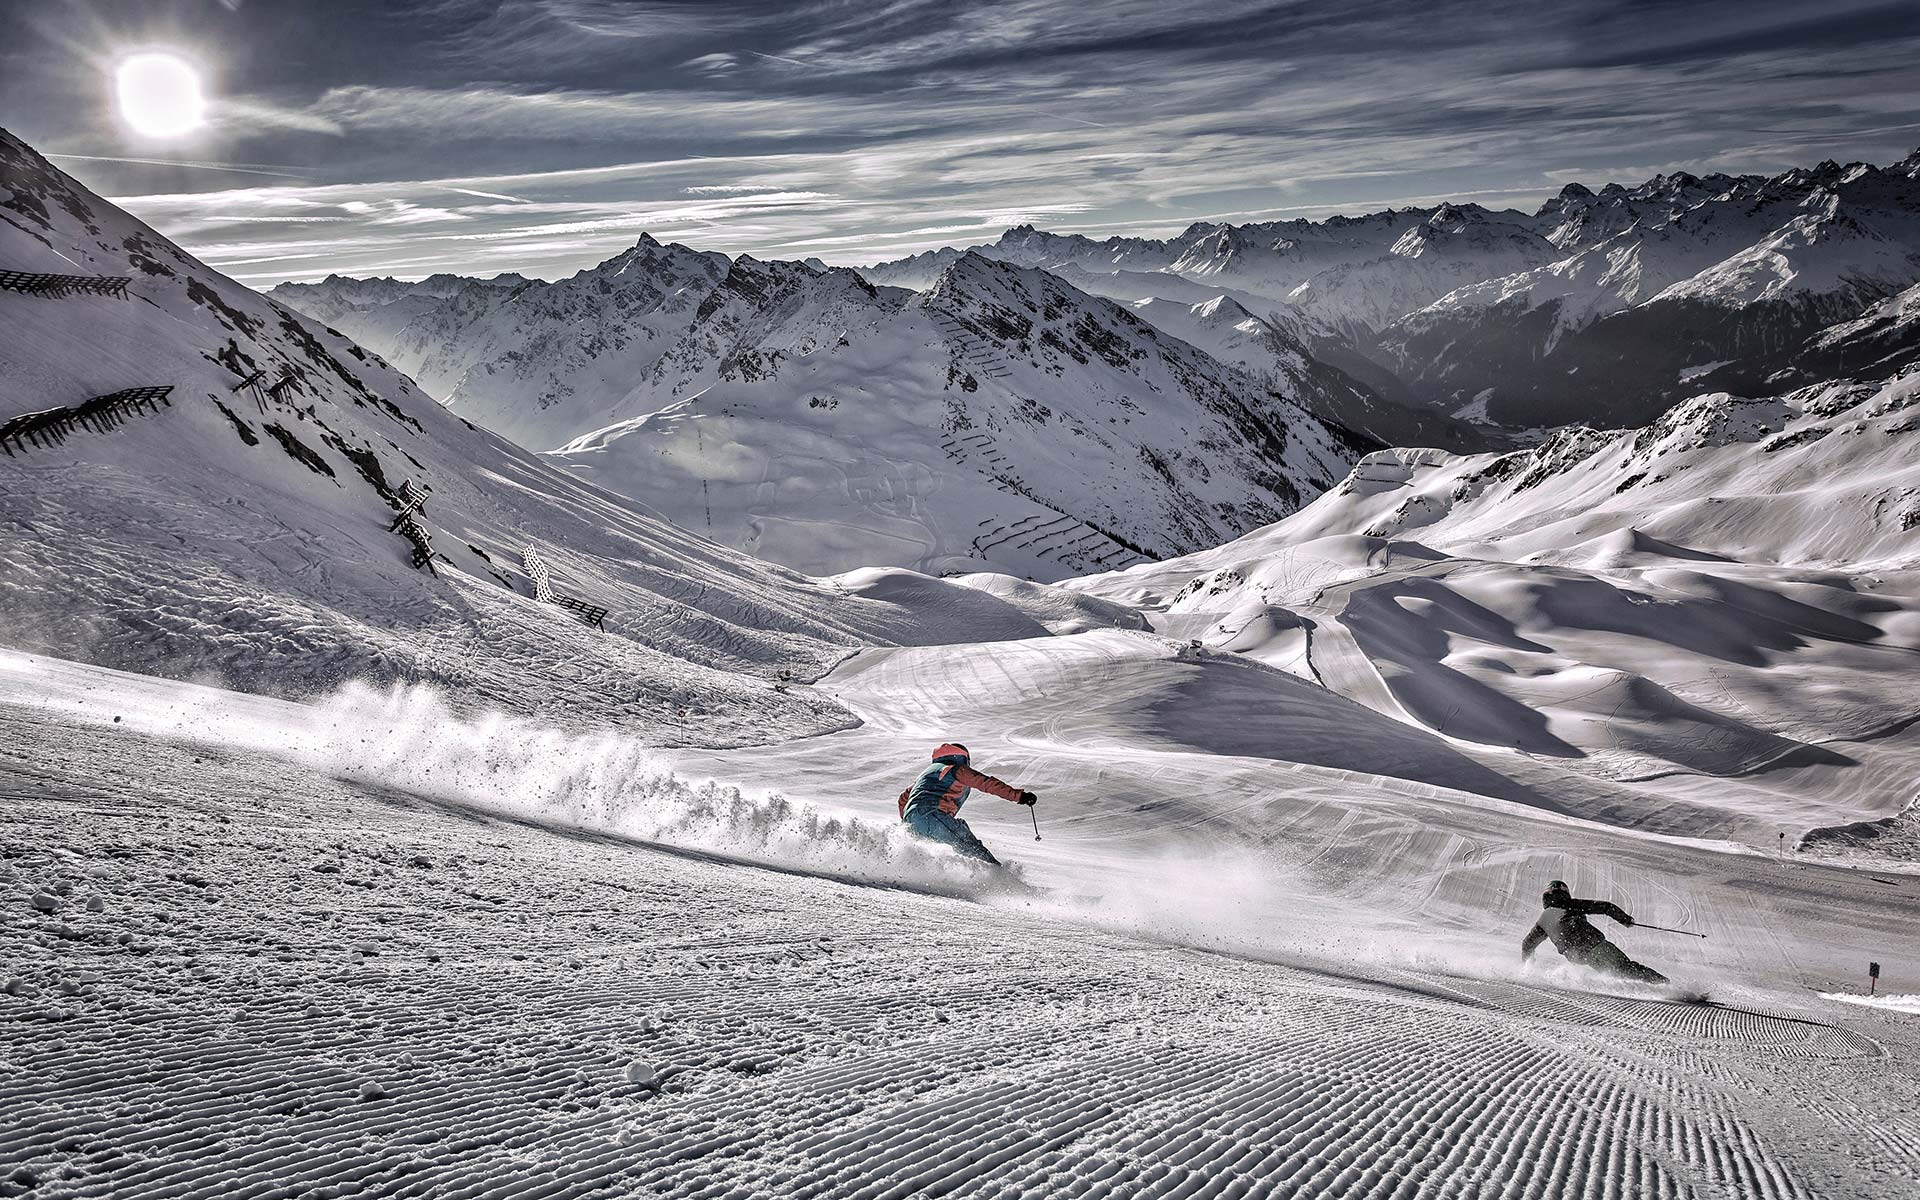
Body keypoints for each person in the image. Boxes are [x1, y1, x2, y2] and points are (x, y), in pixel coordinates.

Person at [898, 742, 1036, 865]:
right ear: (963, 757)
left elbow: (903, 799)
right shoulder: (955, 768)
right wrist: (1019, 796)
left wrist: (909, 819)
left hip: (911, 819)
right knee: (971, 847)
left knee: (950, 842)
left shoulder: (926, 774)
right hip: (933, 815)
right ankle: (998, 876)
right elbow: (985, 783)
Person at [1521, 879, 1668, 984]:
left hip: (1576, 956)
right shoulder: (1571, 904)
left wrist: (1528, 963)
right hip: (1594, 945)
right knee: (1625, 968)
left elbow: (1527, 943)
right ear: (1565, 894)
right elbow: (1606, 907)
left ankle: (1641, 986)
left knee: (1613, 971)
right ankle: (1665, 985)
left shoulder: (1542, 921)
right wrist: (1625, 920)